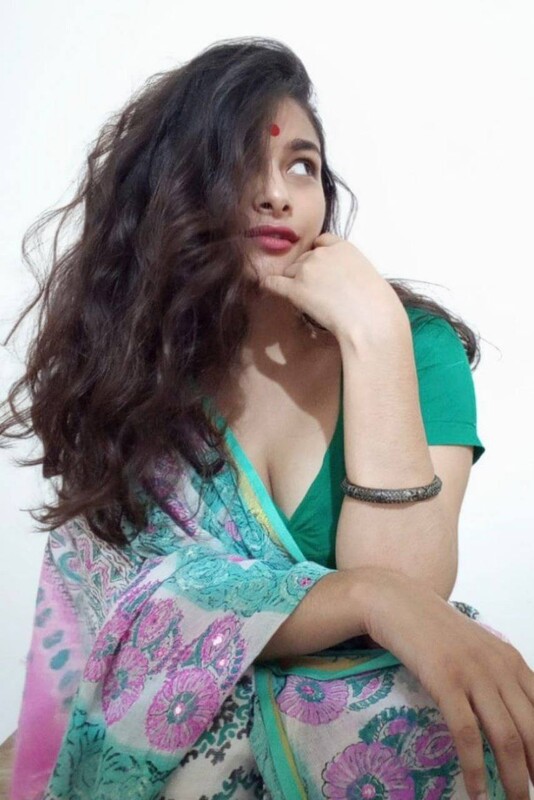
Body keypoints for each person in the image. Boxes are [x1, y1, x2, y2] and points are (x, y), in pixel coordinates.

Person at [2, 35, 533, 800]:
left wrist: (375, 336)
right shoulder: (139, 385)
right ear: (175, 190)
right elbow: (119, 628)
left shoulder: (412, 348)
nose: (278, 193)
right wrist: (362, 597)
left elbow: (414, 594)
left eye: (302, 166)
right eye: (243, 164)